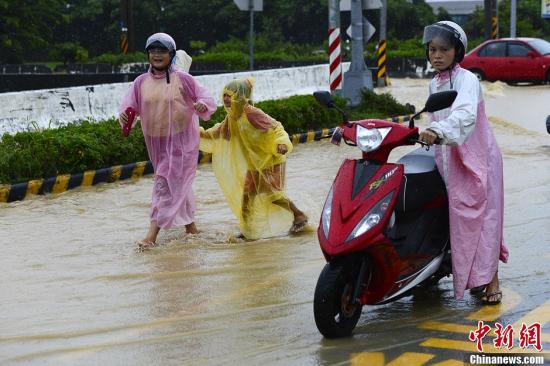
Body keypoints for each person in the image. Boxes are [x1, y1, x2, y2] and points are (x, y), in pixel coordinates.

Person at [419, 21, 509, 304]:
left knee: (484, 219)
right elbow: (432, 116)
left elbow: (465, 115)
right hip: (449, 160)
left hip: (478, 158)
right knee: (460, 221)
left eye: (444, 50)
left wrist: (438, 131)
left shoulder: (467, 80)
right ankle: (470, 275)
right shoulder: (434, 82)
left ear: (457, 51)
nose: (436, 55)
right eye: (432, 49)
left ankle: (491, 278)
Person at [119, 33, 216, 249]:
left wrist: (201, 105)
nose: (157, 55)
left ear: (171, 54)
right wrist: (125, 116)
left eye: (162, 51)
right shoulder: (140, 82)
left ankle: (150, 236)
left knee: (164, 185)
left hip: (182, 144)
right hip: (157, 145)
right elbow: (129, 107)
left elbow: (206, 98)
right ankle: (191, 229)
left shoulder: (183, 79)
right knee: (178, 185)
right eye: (153, 51)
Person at [199, 77, 307, 240]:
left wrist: (281, 143)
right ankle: (247, 231)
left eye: (231, 94)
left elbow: (276, 127)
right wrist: (196, 133)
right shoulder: (232, 118)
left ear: (240, 96)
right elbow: (217, 134)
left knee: (272, 194)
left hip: (270, 160)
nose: (227, 98)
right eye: (225, 94)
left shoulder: (252, 113)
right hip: (254, 163)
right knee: (248, 198)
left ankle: (299, 215)